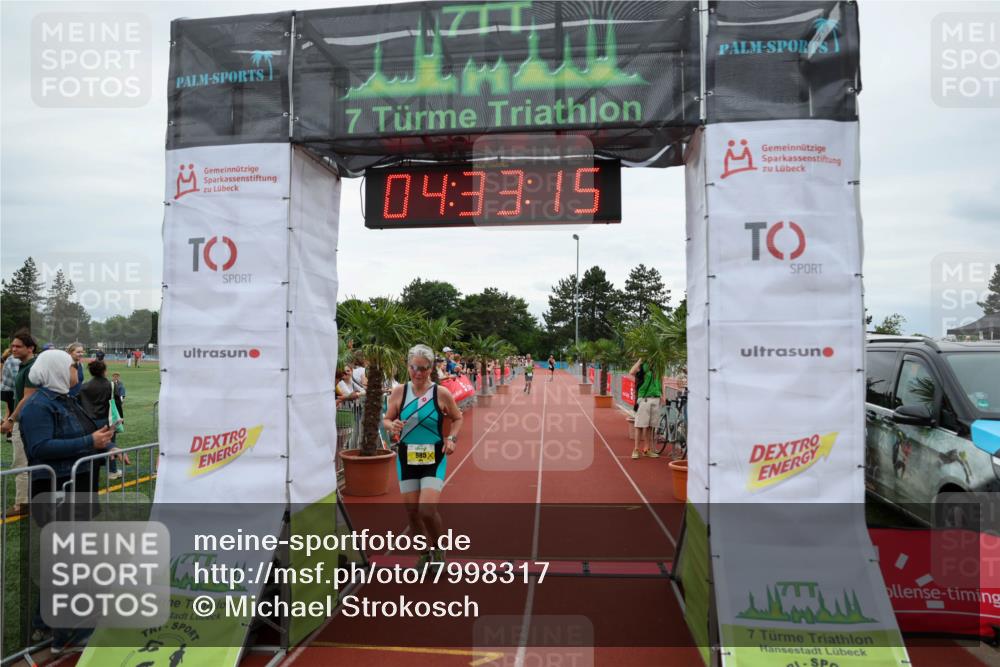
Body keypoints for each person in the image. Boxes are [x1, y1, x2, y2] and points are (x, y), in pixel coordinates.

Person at [21, 349, 118, 653]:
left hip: (75, 487)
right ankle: (69, 635)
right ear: (58, 370)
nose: (78, 370)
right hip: (56, 490)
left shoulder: (66, 399)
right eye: (74, 366)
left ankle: (43, 624)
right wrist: (91, 443)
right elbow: (40, 447)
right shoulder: (38, 406)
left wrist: (109, 446)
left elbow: (89, 433)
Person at [383, 344, 464, 566]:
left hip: (434, 457)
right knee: (411, 512)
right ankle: (423, 553)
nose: (418, 373)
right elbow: (387, 418)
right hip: (407, 457)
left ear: (431, 369)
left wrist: (452, 439)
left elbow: (458, 418)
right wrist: (392, 425)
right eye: (414, 367)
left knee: (426, 510)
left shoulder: (441, 393)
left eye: (423, 368)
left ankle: (439, 549)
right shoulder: (400, 391)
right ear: (407, 366)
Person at [1, 331, 38, 516]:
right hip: (29, 420)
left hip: (26, 422)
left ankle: (22, 505)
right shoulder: (25, 365)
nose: (13, 349)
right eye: (13, 346)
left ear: (30, 348)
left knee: (20, 464)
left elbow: (28, 396)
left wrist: (10, 420)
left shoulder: (31, 367)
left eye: (18, 346)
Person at [80, 360, 124, 480]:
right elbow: (117, 403)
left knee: (91, 445)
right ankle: (112, 471)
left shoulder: (84, 386)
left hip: (89, 420)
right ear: (104, 371)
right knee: (110, 445)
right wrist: (120, 418)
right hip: (107, 420)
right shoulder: (111, 385)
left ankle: (90, 471)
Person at [629, 357, 662, 459]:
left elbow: (661, 381)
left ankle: (647, 449)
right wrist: (640, 360)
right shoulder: (643, 366)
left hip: (655, 399)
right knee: (639, 425)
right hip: (644, 399)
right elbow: (631, 372)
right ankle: (636, 449)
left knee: (650, 426)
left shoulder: (658, 367)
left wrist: (662, 396)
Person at [2, 348, 20, 441]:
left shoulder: (8, 359)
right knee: (12, 412)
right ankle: (9, 432)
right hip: (11, 391)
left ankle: (8, 431)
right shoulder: (13, 360)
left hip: (7, 390)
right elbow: (16, 380)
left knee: (9, 411)